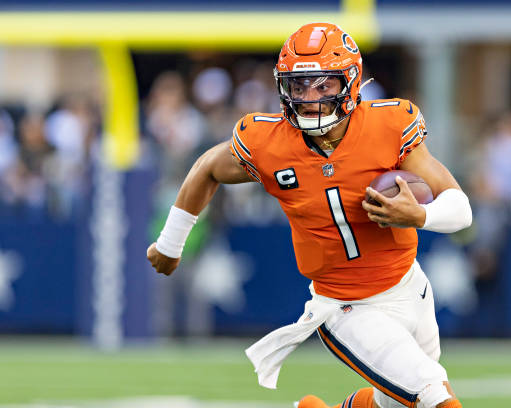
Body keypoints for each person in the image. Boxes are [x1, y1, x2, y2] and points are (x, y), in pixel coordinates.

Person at [147, 23, 472, 408]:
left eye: (323, 85)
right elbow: (207, 168)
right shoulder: (269, 142)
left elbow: (460, 208)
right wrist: (170, 243)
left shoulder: (388, 126)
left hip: (410, 286)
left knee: (397, 403)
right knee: (436, 398)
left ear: (349, 83)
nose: (309, 98)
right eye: (298, 86)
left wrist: (419, 215)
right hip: (345, 306)